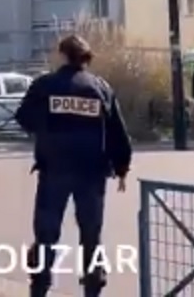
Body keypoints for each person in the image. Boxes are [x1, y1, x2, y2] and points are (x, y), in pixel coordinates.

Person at [14, 35, 132, 297]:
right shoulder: (100, 87)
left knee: (46, 232)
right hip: (92, 172)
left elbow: (24, 118)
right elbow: (117, 132)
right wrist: (122, 167)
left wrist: (47, 128)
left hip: (54, 169)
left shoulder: (45, 85)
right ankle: (92, 287)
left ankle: (40, 286)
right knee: (91, 233)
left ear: (62, 55)